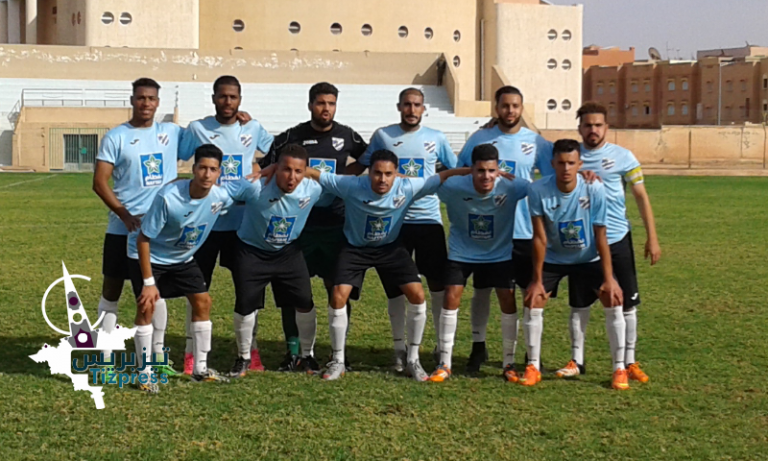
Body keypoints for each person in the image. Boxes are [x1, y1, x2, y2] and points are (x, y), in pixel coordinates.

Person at [292, 150, 470, 381]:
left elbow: (443, 175)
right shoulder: (351, 185)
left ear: (397, 174)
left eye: (388, 174)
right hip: (355, 248)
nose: (382, 179)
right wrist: (273, 168)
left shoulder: (408, 186)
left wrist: (472, 171)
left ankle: (412, 360)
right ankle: (338, 360)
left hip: (390, 249)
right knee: (338, 296)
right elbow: (314, 173)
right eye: (377, 173)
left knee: (417, 295)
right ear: (369, 173)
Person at [257, 82, 367, 372]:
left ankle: (338, 353)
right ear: (310, 105)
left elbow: (367, 159)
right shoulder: (292, 137)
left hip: (336, 225)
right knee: (293, 290)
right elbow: (268, 165)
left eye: (331, 103)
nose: (326, 109)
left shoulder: (348, 136)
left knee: (337, 288)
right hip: (300, 226)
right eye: (320, 103)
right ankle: (294, 352)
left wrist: (342, 177)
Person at [554, 102, 661, 383]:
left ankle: (630, 362)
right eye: (588, 125)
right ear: (579, 128)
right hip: (583, 242)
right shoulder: (571, 157)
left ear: (607, 127)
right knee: (580, 303)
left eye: (598, 125)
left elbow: (640, 196)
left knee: (626, 302)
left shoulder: (623, 156)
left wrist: (652, 237)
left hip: (616, 238)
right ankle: (577, 360)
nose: (593, 130)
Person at [358, 87, 457, 372]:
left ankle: (439, 346)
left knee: (437, 285)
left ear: (424, 109)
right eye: (407, 105)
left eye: (417, 105)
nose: (412, 110)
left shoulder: (436, 138)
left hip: (428, 221)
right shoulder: (383, 136)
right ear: (399, 106)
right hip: (395, 223)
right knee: (396, 288)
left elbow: (453, 170)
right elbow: (364, 167)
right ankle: (399, 349)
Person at [455, 86, 554, 374]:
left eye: (515, 106)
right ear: (496, 108)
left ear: (522, 108)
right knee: (482, 290)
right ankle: (478, 346)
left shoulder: (535, 142)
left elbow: (554, 175)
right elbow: (462, 171)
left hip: (525, 230)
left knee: (528, 292)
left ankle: (530, 352)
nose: (510, 111)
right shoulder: (480, 138)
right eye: (505, 105)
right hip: (492, 231)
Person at [179, 75, 274, 375]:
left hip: (243, 225)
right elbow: (178, 155)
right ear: (214, 98)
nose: (228, 101)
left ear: (240, 99)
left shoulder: (252, 128)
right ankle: (191, 353)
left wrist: (262, 173)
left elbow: (277, 153)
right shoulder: (198, 128)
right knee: (196, 289)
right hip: (204, 225)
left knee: (248, 290)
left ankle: (250, 351)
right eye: (222, 96)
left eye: (233, 97)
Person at [93, 77, 182, 378]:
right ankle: (104, 358)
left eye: (151, 98)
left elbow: (210, 137)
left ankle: (157, 356)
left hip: (158, 231)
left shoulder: (172, 133)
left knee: (154, 293)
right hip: (122, 230)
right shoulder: (116, 137)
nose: (146, 103)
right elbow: (99, 182)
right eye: (141, 97)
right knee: (111, 290)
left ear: (158, 102)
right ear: (132, 100)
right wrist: (124, 215)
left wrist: (239, 118)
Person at [128, 144, 234, 393]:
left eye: (213, 169)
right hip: (150, 255)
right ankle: (144, 373)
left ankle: (200, 369)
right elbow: (143, 239)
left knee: (203, 302)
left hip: (182, 259)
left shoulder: (220, 197)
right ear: (193, 169)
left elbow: (249, 188)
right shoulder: (168, 197)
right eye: (202, 168)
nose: (207, 174)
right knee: (147, 307)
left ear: (219, 173)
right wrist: (149, 283)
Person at [524, 139, 628, 390]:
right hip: (554, 258)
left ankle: (619, 368)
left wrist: (609, 278)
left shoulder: (594, 188)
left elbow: (601, 235)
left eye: (571, 163)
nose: (566, 168)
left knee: (612, 298)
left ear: (580, 164)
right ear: (552, 164)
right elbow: (539, 237)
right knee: (533, 300)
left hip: (588, 257)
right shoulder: (537, 190)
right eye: (561, 163)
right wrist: (536, 280)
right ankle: (533, 366)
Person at [430, 144, 530, 383]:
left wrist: (583, 176)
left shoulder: (512, 186)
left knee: (507, 299)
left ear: (498, 170)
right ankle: (445, 363)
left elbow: (545, 188)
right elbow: (426, 183)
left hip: (499, 254)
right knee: (451, 296)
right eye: (480, 170)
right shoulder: (454, 186)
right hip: (462, 252)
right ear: (471, 170)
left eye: (491, 171)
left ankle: (508, 363)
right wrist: (456, 172)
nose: (486, 176)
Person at [226, 144, 325, 377]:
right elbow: (220, 192)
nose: (292, 177)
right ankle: (243, 357)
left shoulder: (313, 189)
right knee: (245, 304)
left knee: (305, 301)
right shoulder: (255, 187)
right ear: (275, 169)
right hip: (252, 251)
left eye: (298, 171)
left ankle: (307, 355)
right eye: (286, 169)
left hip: (288, 253)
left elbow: (346, 185)